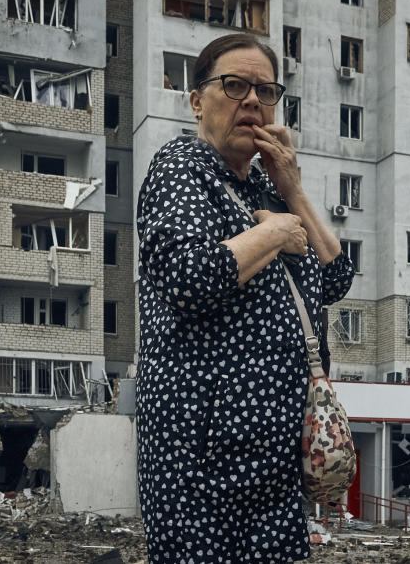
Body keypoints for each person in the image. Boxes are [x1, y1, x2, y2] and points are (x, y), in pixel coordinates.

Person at [135, 33, 355, 563]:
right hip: (203, 469)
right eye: (234, 85)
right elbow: (188, 277)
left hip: (274, 472)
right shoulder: (182, 168)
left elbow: (335, 279)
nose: (253, 101)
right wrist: (276, 234)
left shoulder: (264, 190)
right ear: (196, 100)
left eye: (266, 90)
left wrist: (292, 189)